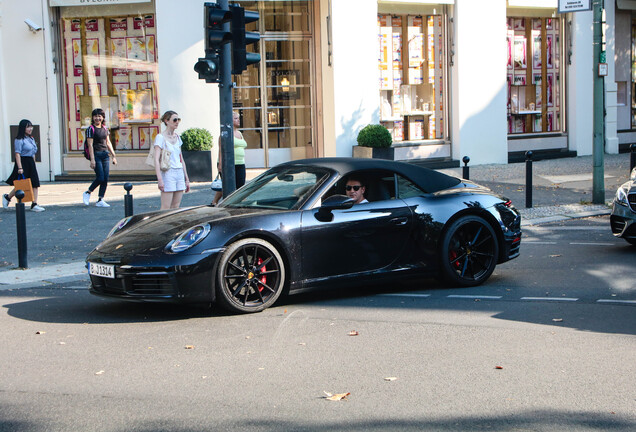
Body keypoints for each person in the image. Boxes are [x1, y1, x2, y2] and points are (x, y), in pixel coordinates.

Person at [3, 119, 45, 212]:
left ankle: (34, 204)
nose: (30, 129)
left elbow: (33, 152)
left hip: (30, 161)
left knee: (35, 183)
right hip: (23, 161)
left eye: (31, 126)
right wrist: (20, 167)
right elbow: (17, 153)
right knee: (22, 184)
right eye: (28, 127)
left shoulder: (31, 138)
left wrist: (33, 164)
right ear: (23, 128)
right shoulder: (19, 139)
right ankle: (7, 197)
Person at [154, 110, 190, 210]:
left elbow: (181, 159)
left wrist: (186, 179)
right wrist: (160, 179)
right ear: (166, 121)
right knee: (166, 207)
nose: (177, 122)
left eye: (178, 120)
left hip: (179, 172)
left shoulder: (178, 137)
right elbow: (156, 159)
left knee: (176, 207)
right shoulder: (160, 137)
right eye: (174, 120)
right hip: (168, 172)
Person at [82, 108, 117, 207]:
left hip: (105, 154)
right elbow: (90, 145)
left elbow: (108, 142)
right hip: (96, 154)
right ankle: (88, 192)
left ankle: (100, 199)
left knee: (105, 178)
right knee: (100, 177)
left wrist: (114, 156)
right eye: (95, 116)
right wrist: (92, 159)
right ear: (93, 117)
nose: (97, 118)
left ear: (103, 117)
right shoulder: (90, 129)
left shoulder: (105, 129)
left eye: (99, 116)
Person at [212, 111, 247, 206]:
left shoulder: (239, 133)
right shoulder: (225, 133)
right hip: (229, 163)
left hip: (240, 163)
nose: (238, 120)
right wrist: (220, 164)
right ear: (230, 120)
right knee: (227, 186)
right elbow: (221, 149)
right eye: (236, 118)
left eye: (238, 118)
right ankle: (218, 202)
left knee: (240, 185)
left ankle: (238, 203)